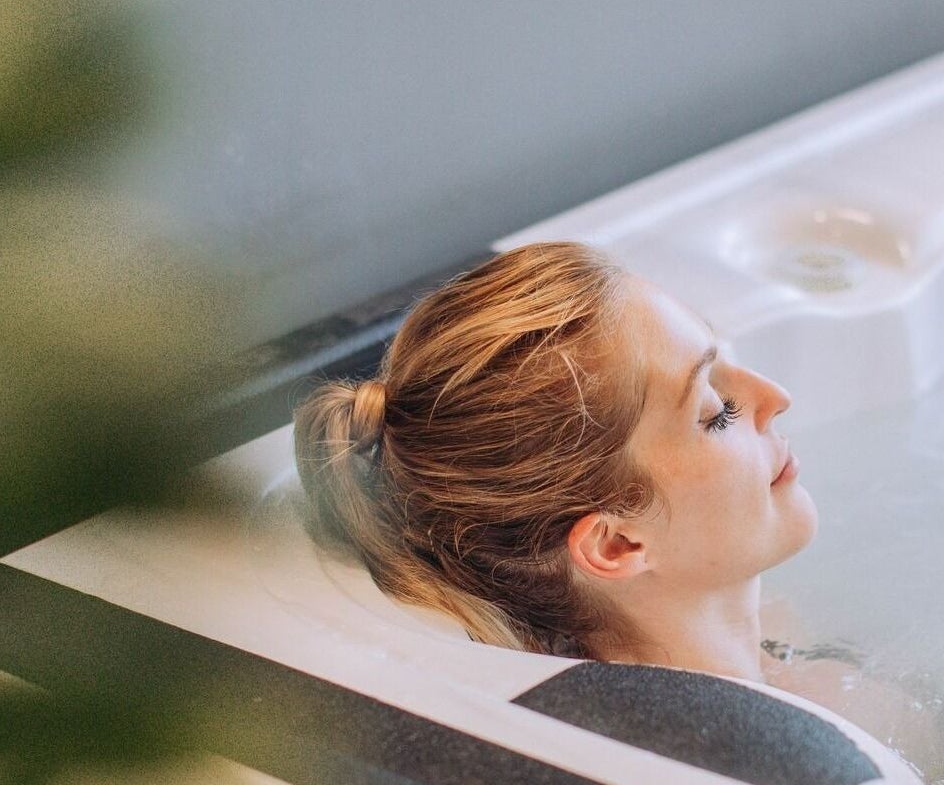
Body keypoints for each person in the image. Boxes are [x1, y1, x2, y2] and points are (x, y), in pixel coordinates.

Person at [293, 241, 818, 682]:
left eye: (722, 356)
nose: (776, 396)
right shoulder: (733, 778)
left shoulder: (778, 632)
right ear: (616, 543)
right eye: (715, 413)